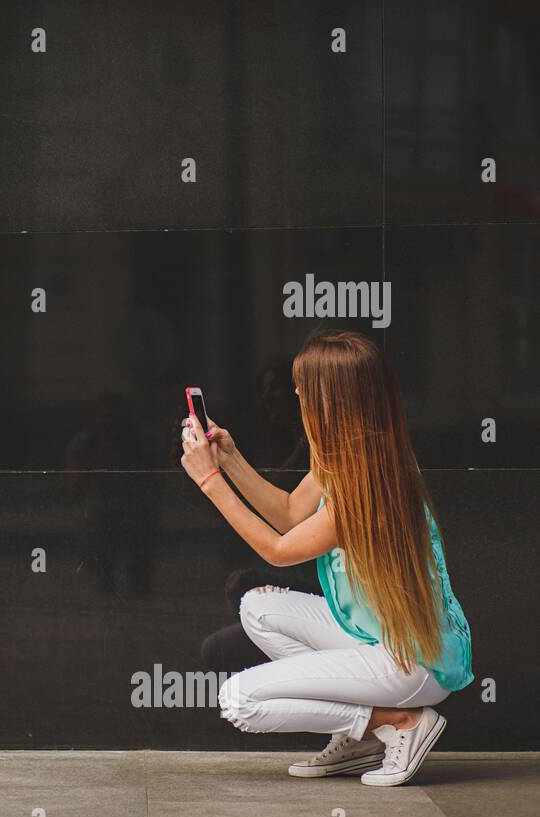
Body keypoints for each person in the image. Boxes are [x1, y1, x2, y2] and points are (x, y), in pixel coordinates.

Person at [179, 330, 472, 786]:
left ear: (330, 398)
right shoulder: (354, 455)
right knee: (258, 606)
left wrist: (209, 481)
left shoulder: (367, 485)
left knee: (240, 701)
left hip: (411, 662)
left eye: (302, 386)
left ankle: (398, 723)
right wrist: (231, 460)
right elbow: (291, 513)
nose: (294, 393)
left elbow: (278, 550)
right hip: (377, 637)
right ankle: (367, 737)